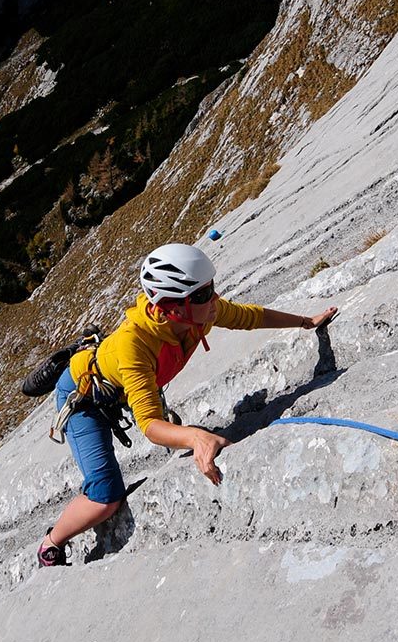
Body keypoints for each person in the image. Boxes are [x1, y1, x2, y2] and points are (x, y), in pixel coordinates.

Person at [38, 243, 338, 566]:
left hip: (115, 388)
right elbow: (150, 425)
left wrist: (306, 321)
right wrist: (196, 437)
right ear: (168, 308)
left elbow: (248, 317)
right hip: (84, 400)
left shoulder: (199, 312)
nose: (212, 299)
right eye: (200, 294)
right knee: (105, 497)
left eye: (210, 289)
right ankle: (50, 545)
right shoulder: (135, 344)